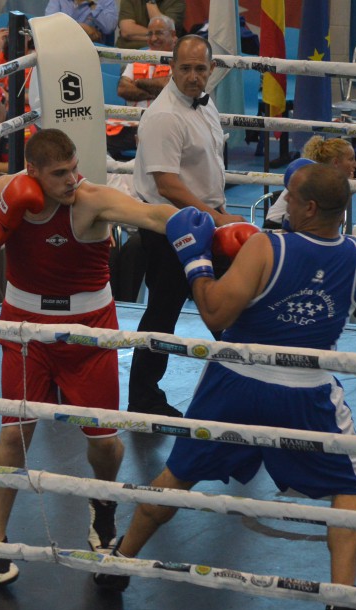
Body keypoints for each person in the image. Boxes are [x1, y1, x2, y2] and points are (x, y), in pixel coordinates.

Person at [96, 164, 356, 610]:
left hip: (234, 382)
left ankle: (119, 563)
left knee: (178, 474)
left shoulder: (266, 246)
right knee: (350, 488)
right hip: (306, 391)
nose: (283, 202)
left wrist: (195, 261)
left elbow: (214, 310)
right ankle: (342, 604)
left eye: (290, 196)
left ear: (311, 207)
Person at [0, 128, 179, 586]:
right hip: (24, 332)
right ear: (31, 173)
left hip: (89, 334)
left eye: (74, 168)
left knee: (103, 443)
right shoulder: (4, 192)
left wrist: (204, 226)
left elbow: (154, 215)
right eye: (59, 174)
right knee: (14, 437)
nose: (72, 180)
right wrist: (3, 221)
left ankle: (101, 505)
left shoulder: (92, 200)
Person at [127, 34, 243, 417]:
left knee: (226, 305)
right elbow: (167, 184)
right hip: (169, 228)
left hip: (207, 221)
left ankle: (245, 384)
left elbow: (207, 166)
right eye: (186, 68)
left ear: (211, 69)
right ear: (171, 69)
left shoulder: (204, 106)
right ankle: (143, 399)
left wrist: (219, 210)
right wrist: (219, 217)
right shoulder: (164, 116)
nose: (194, 76)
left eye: (200, 68)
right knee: (164, 311)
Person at [107, 14, 175, 160]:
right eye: (149, 34)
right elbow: (122, 89)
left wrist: (138, 83)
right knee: (98, 140)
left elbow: (169, 86)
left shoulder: (180, 57)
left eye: (159, 33)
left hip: (164, 125)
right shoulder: (139, 56)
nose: (153, 38)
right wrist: (157, 90)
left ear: (173, 34)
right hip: (133, 125)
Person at [263, 136, 356, 230]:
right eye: (351, 159)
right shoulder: (314, 180)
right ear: (336, 163)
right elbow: (329, 225)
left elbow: (331, 225)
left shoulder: (326, 180)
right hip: (277, 228)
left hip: (294, 229)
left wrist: (347, 191)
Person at [44, 0, 117, 45]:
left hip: (90, 51)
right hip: (60, 45)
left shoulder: (106, 1)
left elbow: (109, 27)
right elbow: (50, 24)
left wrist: (92, 3)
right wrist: (83, 28)